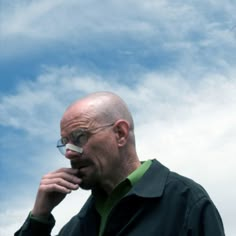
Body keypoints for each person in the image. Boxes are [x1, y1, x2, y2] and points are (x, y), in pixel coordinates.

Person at [15, 91, 225, 236]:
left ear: (120, 133)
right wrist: (39, 218)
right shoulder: (76, 228)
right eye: (65, 143)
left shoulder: (186, 202)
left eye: (79, 137)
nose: (70, 153)